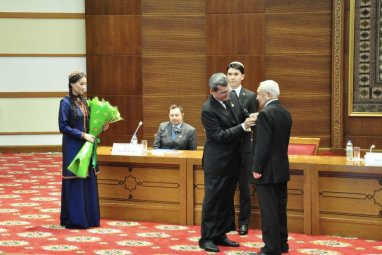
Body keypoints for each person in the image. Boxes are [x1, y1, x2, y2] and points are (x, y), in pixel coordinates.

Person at [199, 73, 257, 253]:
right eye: (223, 93)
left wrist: (251, 118)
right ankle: (207, 237)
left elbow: (242, 114)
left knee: (226, 199)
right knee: (213, 199)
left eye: (227, 91)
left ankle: (220, 233)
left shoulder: (232, 96)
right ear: (212, 91)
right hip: (217, 162)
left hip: (234, 159)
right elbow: (219, 136)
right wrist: (243, 127)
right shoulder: (208, 109)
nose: (226, 95)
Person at [251, 80, 292, 255]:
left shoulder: (266, 114)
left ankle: (271, 248)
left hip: (267, 171)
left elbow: (263, 145)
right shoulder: (285, 112)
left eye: (259, 93)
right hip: (281, 169)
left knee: (269, 211)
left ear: (268, 95)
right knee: (279, 209)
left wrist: (257, 168)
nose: (257, 97)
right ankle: (282, 244)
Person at [58, 71, 100, 229]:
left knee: (87, 178)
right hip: (73, 146)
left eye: (85, 84)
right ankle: (76, 219)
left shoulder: (84, 101)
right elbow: (63, 126)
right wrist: (82, 135)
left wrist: (101, 126)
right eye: (81, 84)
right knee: (75, 179)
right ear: (72, 84)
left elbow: (89, 123)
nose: (84, 87)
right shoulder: (65, 102)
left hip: (86, 145)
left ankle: (89, 218)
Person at [227, 61, 259, 235]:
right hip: (227, 149)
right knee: (228, 188)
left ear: (242, 77)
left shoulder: (250, 96)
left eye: (235, 74)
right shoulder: (222, 95)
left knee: (245, 188)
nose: (232, 77)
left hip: (245, 148)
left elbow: (255, 124)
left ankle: (244, 222)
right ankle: (229, 221)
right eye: (230, 74)